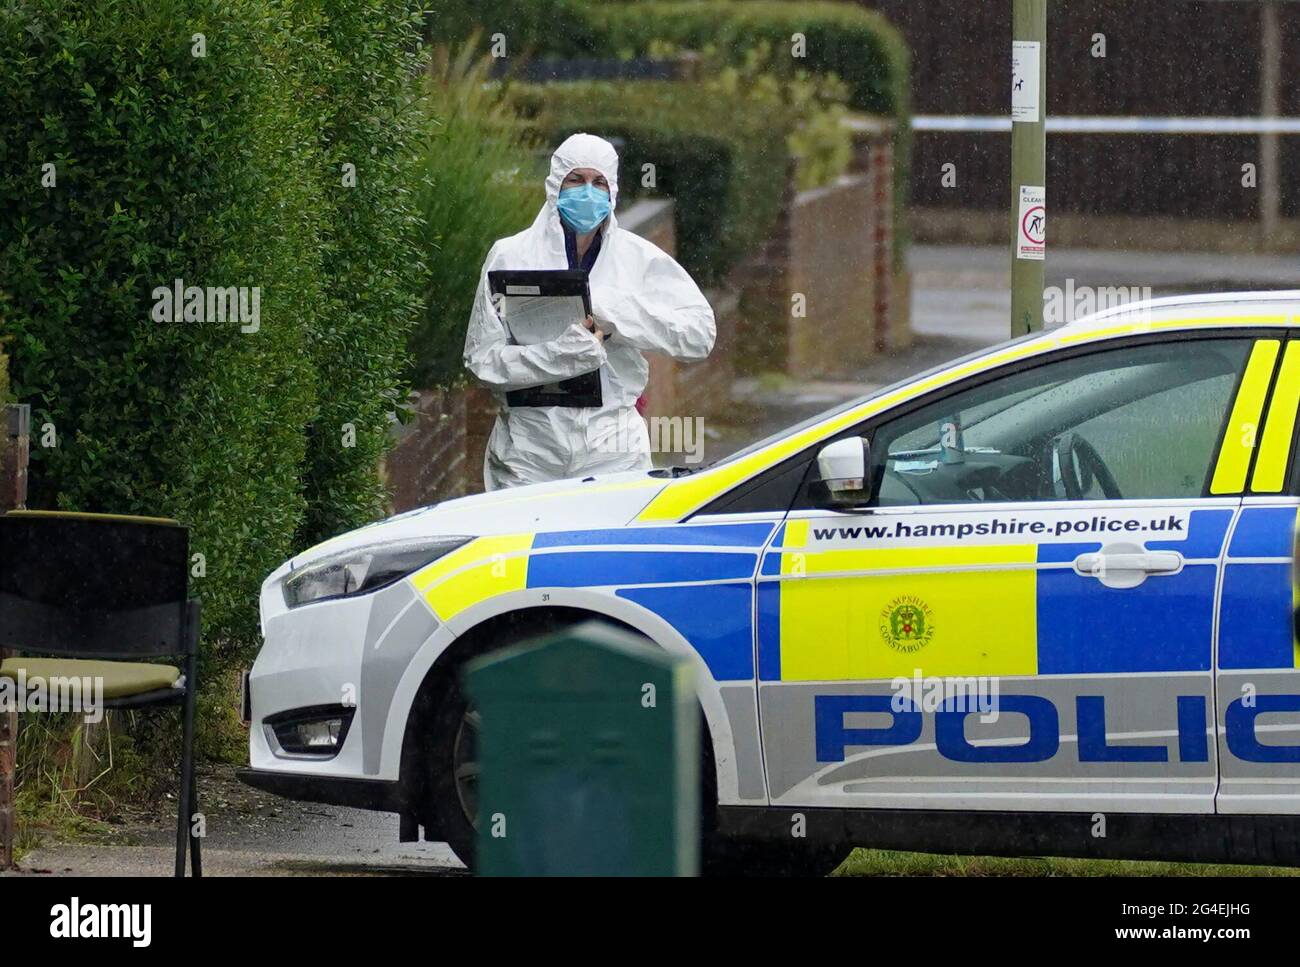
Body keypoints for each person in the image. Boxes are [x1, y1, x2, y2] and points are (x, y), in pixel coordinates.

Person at [464, 133, 716, 490]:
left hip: (613, 446)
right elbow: (482, 359)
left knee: (609, 545)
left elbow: (698, 336)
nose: (587, 192)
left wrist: (618, 314)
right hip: (529, 450)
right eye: (576, 180)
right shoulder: (511, 256)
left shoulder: (636, 259)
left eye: (598, 182)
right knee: (527, 545)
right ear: (554, 185)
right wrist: (558, 356)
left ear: (612, 190)